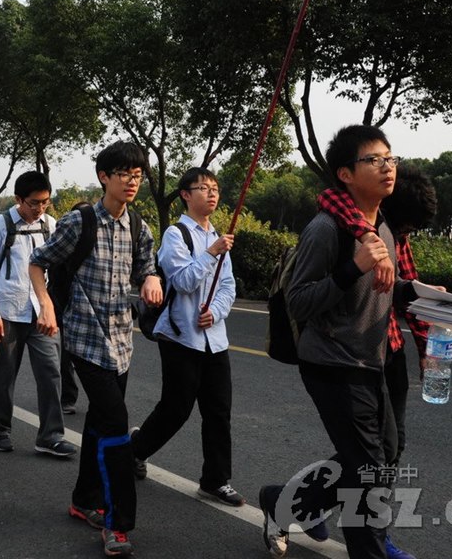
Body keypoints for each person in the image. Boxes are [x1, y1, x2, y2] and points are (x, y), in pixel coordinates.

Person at [258, 125, 427, 559]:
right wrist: (352, 268)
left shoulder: (381, 227)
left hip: (372, 363)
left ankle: (284, 502)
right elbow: (298, 301)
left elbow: (380, 291)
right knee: (369, 474)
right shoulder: (325, 229)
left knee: (381, 457)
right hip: (332, 364)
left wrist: (421, 294)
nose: (388, 167)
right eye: (374, 160)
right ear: (346, 174)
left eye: (390, 158)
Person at [29, 141, 162, 558]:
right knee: (117, 427)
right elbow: (38, 261)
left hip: (122, 341)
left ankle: (83, 499)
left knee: (100, 425)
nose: (132, 181)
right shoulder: (80, 221)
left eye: (137, 175)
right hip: (86, 340)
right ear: (104, 177)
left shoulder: (138, 225)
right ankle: (116, 522)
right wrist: (46, 304)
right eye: (123, 174)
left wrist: (151, 279)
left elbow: (146, 266)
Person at [130, 167, 244, 506]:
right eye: (203, 188)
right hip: (181, 337)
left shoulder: (218, 236)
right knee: (176, 408)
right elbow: (181, 281)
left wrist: (216, 312)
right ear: (185, 195)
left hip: (214, 339)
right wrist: (211, 254)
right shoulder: (176, 235)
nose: (212, 194)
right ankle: (135, 450)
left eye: (215, 188)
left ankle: (215, 480)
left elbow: (228, 286)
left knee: (219, 410)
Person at [0, 171, 75, 457]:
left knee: (51, 371)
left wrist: (52, 307)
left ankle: (50, 436)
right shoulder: (0, 225)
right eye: (34, 203)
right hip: (8, 311)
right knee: (4, 374)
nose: (39, 208)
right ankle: (0, 430)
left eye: (45, 202)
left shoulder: (51, 225)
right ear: (19, 199)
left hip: (41, 312)